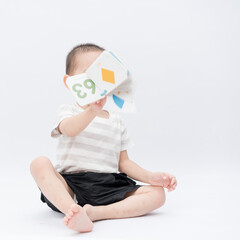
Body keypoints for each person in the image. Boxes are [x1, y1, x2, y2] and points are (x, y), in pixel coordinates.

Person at [30, 43, 177, 233]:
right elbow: (69, 129)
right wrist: (91, 110)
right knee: (39, 163)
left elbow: (124, 163)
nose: (97, 81)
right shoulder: (68, 111)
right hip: (71, 186)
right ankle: (72, 210)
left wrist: (151, 177)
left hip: (108, 184)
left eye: (101, 74)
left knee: (157, 195)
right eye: (88, 75)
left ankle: (97, 213)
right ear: (70, 82)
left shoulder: (116, 120)